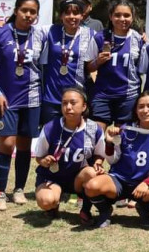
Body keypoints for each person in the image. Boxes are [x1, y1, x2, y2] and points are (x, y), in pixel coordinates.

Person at [0, 0, 47, 211]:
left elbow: (44, 67)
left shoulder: (40, 35)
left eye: (33, 12)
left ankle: (19, 188)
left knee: (24, 146)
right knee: (7, 144)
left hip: (32, 97)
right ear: (16, 10)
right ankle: (0, 192)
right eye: (24, 10)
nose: (28, 15)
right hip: (7, 99)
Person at [84, 91, 149, 228]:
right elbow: (113, 160)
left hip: (146, 185)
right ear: (135, 110)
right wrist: (109, 143)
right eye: (141, 106)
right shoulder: (125, 130)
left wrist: (146, 183)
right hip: (120, 179)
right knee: (92, 186)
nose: (145, 110)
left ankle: (144, 208)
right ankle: (105, 210)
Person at [34, 87, 106, 219]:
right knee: (46, 201)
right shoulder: (50, 127)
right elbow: (39, 157)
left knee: (91, 173)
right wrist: (44, 161)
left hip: (78, 179)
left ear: (84, 106)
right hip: (52, 177)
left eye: (73, 103)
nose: (68, 107)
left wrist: (98, 162)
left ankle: (85, 209)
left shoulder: (94, 129)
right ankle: (53, 207)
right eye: (64, 103)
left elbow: (100, 154)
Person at [39, 0, 98, 125]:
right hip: (52, 98)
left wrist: (141, 37)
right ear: (61, 16)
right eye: (67, 13)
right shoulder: (49, 30)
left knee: (76, 138)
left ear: (82, 15)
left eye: (76, 13)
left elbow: (113, 39)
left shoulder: (91, 35)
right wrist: (2, 26)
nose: (72, 17)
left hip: (76, 99)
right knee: (51, 139)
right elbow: (26, 30)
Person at [88, 0, 144, 129]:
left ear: (133, 17)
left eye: (126, 15)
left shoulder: (139, 39)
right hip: (102, 94)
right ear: (110, 16)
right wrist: (98, 61)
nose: (122, 19)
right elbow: (88, 67)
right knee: (96, 135)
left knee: (121, 139)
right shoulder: (99, 37)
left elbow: (142, 69)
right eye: (117, 15)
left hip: (128, 95)